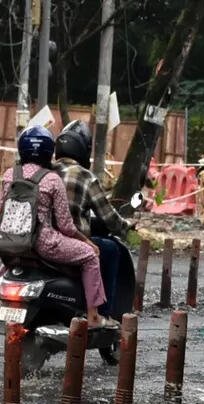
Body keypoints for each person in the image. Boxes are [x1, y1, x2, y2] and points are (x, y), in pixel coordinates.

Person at [0, 125, 112, 328]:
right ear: (48, 151)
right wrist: (88, 243)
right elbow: (66, 226)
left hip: (8, 241)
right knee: (90, 256)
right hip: (44, 243)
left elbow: (1, 209)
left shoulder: (9, 175)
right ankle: (94, 316)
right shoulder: (52, 179)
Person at [53, 119, 131, 319]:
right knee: (110, 249)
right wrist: (125, 227)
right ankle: (103, 314)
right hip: (69, 243)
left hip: (43, 240)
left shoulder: (46, 172)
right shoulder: (85, 177)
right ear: (83, 150)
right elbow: (109, 217)